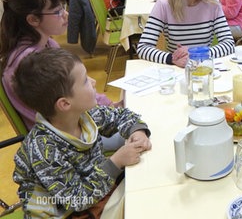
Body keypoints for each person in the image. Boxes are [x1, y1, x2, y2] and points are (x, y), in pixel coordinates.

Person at [12, 47, 152, 218]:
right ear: (65, 104)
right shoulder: (44, 150)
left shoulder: (84, 115)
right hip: (64, 211)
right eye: (85, 80)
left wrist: (137, 131)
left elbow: (121, 116)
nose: (93, 82)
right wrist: (115, 162)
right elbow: (75, 200)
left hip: (92, 191)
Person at [0, 0, 120, 131]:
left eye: (63, 7)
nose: (66, 14)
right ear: (33, 19)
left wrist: (110, 105)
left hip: (80, 123)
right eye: (58, 11)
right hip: (66, 138)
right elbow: (60, 117)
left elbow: (77, 91)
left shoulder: (48, 44)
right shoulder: (28, 64)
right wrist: (112, 113)